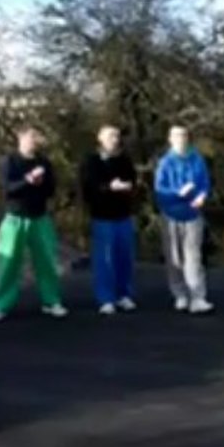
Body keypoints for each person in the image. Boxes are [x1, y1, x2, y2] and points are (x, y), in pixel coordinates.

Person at [0, 127, 68, 321]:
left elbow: (51, 190)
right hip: (14, 219)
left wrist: (40, 183)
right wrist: (28, 180)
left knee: (47, 261)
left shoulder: (44, 162)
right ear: (20, 138)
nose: (34, 141)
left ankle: (51, 301)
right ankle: (1, 305)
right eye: (31, 137)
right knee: (9, 263)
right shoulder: (8, 161)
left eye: (37, 137)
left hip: (40, 218)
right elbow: (7, 189)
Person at [154, 124, 214, 314]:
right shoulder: (165, 163)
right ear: (170, 139)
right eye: (177, 136)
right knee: (174, 256)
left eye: (184, 136)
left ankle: (197, 296)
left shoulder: (197, 159)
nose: (181, 139)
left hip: (193, 214)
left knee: (193, 257)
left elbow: (204, 183)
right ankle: (180, 294)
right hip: (171, 214)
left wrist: (201, 196)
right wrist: (178, 193)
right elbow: (160, 190)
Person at [79, 125, 138, 315]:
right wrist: (108, 187)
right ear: (100, 139)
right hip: (102, 216)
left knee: (124, 257)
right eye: (111, 136)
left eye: (117, 136)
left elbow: (133, 181)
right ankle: (106, 298)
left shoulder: (124, 159)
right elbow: (88, 187)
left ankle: (124, 294)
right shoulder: (92, 161)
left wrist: (127, 187)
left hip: (123, 215)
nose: (115, 139)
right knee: (104, 259)